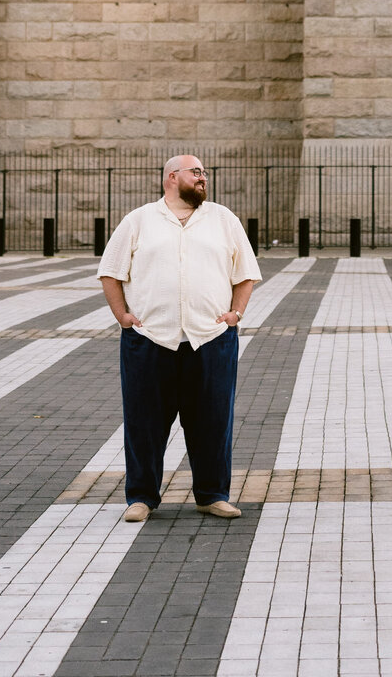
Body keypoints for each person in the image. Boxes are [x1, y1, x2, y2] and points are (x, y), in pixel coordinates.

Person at [98, 153, 262, 523]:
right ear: (172, 177)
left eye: (204, 173)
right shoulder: (139, 220)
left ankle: (212, 495)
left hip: (211, 339)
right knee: (144, 422)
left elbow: (245, 273)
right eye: (196, 172)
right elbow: (110, 272)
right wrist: (123, 317)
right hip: (149, 340)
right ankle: (141, 497)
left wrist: (236, 314)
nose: (203, 178)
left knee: (213, 421)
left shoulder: (223, 219)